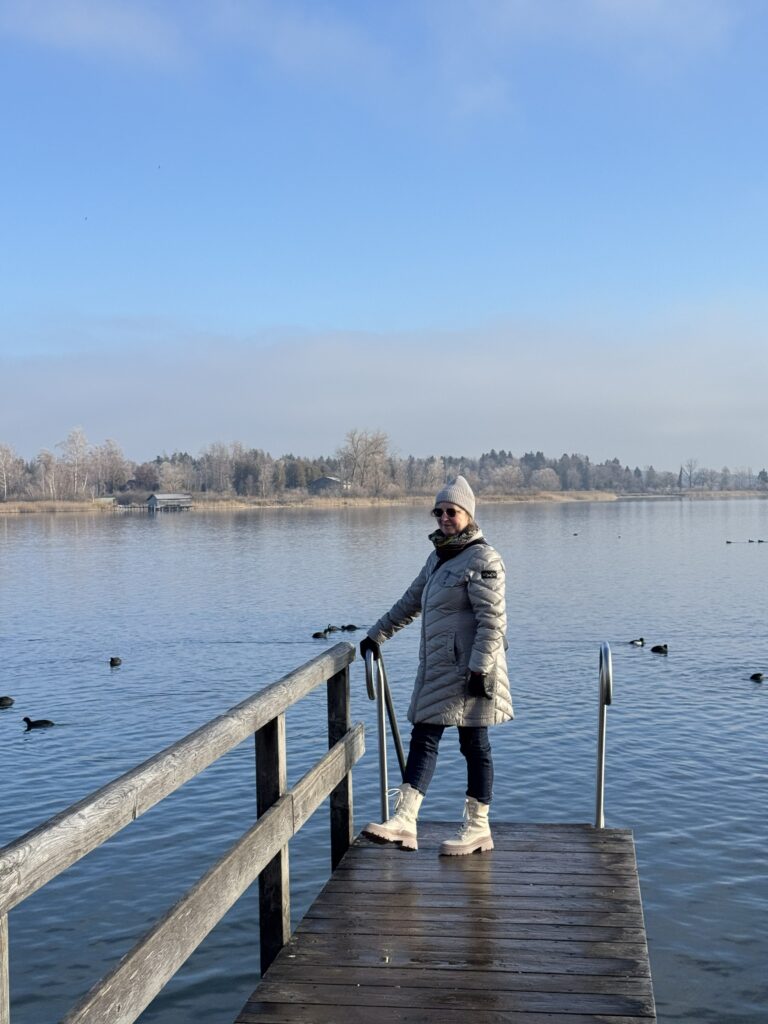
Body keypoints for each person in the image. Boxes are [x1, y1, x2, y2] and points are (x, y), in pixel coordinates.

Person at [360, 475, 512, 856]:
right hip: (440, 668)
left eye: (452, 512)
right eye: (439, 511)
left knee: (473, 743)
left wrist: (479, 670)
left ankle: (477, 827)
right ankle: (405, 820)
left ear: (468, 514)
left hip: (473, 671)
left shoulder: (484, 559)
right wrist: (376, 635)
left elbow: (493, 621)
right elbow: (410, 601)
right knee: (425, 735)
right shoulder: (439, 557)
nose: (444, 518)